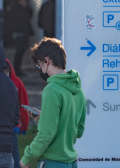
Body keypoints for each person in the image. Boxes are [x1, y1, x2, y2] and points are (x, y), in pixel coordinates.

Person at [19, 38, 86, 168]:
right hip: (71, 162)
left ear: (46, 61)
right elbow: (78, 131)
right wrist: (45, 118)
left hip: (52, 162)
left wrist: (26, 157)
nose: (40, 69)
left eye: (39, 65)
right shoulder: (78, 91)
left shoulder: (52, 90)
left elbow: (46, 134)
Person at [4, 60, 30, 168]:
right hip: (2, 124)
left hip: (13, 124)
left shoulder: (17, 83)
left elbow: (23, 104)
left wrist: (24, 125)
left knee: (13, 148)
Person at [8, 0, 33, 77]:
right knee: (19, 52)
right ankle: (17, 69)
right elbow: (26, 18)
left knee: (20, 52)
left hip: (21, 33)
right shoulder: (18, 10)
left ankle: (17, 69)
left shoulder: (16, 9)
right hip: (20, 33)